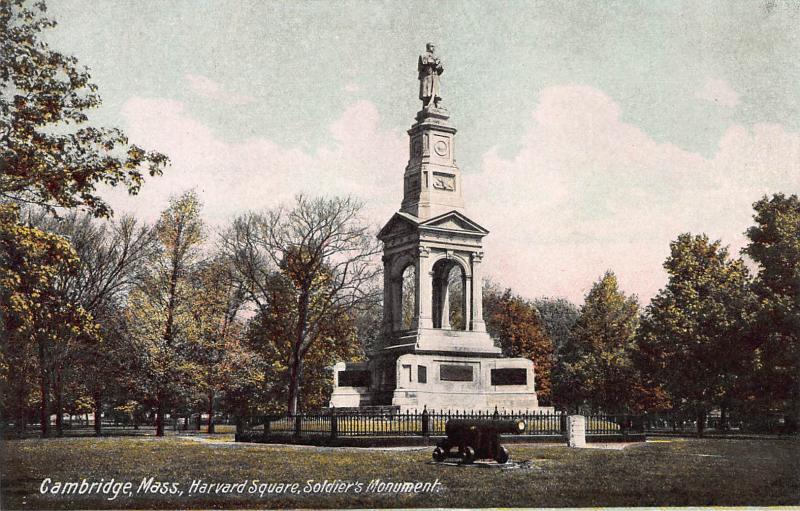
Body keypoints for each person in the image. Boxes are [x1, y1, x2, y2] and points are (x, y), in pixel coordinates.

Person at [418, 43, 444, 108]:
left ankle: (437, 103)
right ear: (428, 47)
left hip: (435, 76)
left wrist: (438, 65)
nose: (433, 48)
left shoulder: (437, 57)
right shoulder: (423, 55)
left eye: (434, 46)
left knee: (436, 91)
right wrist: (431, 63)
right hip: (427, 76)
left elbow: (441, 67)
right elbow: (422, 66)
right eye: (431, 46)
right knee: (426, 91)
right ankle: (426, 103)